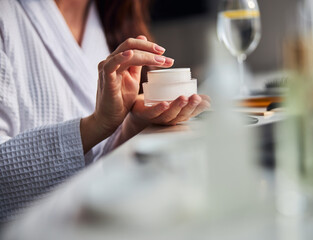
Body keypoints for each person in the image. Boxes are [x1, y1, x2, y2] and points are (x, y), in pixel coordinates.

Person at [0, 0, 210, 221]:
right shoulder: (8, 14)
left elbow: (97, 165)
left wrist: (131, 124)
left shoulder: (110, 14)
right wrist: (95, 126)